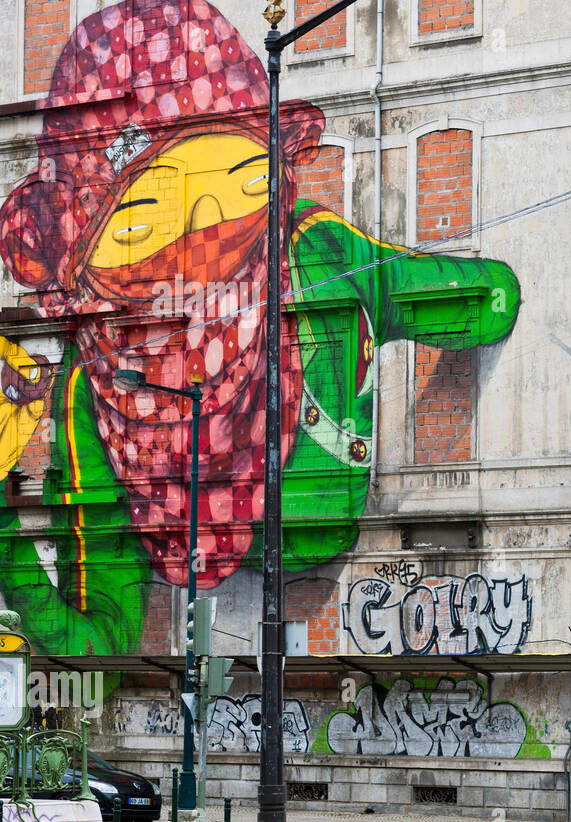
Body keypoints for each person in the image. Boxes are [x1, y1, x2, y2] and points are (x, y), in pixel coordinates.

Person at [0, 0, 521, 655]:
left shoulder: (318, 256)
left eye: (244, 180)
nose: (209, 232)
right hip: (243, 665)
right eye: (143, 221)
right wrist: (7, 538)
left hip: (366, 599)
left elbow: (489, 296)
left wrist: (441, 411)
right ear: (83, 254)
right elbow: (98, 643)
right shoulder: (89, 398)